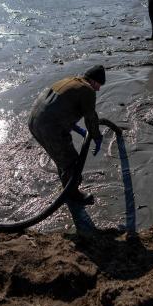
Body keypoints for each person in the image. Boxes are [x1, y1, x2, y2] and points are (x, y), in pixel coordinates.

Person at [28, 65, 106, 205]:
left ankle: (67, 187)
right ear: (93, 81)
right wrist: (97, 137)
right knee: (72, 163)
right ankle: (72, 195)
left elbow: (59, 109)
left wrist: (78, 130)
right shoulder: (87, 90)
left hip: (34, 122)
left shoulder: (71, 81)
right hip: (50, 129)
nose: (98, 89)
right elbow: (91, 118)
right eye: (99, 84)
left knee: (62, 159)